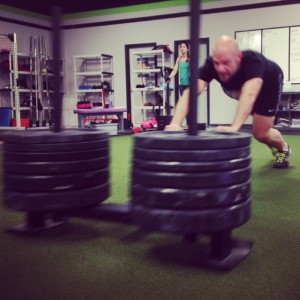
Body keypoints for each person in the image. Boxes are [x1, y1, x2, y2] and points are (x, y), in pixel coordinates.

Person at [165, 35, 291, 169]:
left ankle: (283, 148)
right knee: (259, 127)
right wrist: (175, 124)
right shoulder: (211, 64)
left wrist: (234, 127)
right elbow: (190, 92)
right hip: (239, 88)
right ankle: (270, 137)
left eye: (226, 63)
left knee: (260, 133)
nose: (220, 68)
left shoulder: (253, 62)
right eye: (217, 63)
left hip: (268, 85)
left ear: (238, 58)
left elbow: (250, 93)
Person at [165, 42, 191, 125]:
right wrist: (169, 77)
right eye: (181, 47)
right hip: (181, 85)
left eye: (184, 47)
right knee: (184, 104)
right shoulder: (178, 59)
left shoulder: (190, 58)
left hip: (189, 85)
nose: (182, 48)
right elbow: (175, 70)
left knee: (189, 104)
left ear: (187, 49)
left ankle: (190, 123)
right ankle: (186, 123)